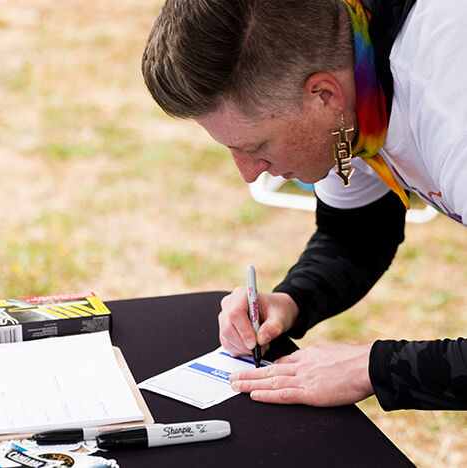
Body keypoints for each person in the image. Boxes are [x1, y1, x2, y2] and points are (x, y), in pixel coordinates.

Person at [141, 0, 467, 411]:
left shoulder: (453, 113)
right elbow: (356, 234)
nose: (247, 173)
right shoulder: (346, 86)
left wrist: (371, 368)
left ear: (323, 94)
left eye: (256, 146)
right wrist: (290, 302)